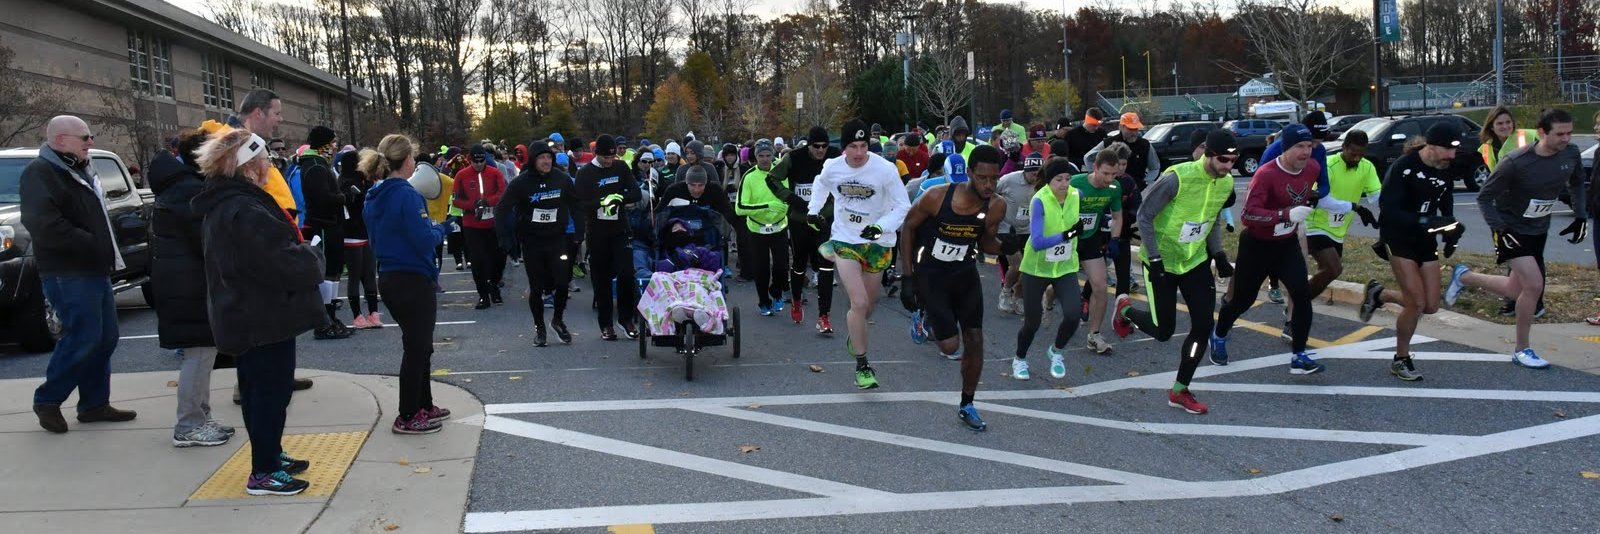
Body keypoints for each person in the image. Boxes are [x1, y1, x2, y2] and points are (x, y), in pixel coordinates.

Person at [191, 128, 323, 495]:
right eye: (265, 159)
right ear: (248, 166)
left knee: (263, 393)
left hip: (250, 314)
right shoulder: (244, 208)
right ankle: (263, 471)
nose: (271, 165)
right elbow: (280, 262)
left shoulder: (231, 203)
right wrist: (313, 256)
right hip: (260, 318)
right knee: (267, 394)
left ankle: (270, 452)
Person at [1445, 109, 1589, 369]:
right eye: (1560, 134)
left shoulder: (1571, 153)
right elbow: (1484, 198)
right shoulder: (1516, 161)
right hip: (1510, 228)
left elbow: (1577, 182)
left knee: (1515, 289)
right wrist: (1501, 230)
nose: (1566, 139)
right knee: (1534, 285)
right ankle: (1522, 349)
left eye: (1569, 133)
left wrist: (1580, 216)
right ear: (1543, 133)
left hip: (1538, 227)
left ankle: (1463, 276)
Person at [20, 116, 136, 434]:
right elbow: (44, 224)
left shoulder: (79, 169)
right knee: (82, 337)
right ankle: (48, 400)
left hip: (93, 269)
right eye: (84, 137)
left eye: (90, 136)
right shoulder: (40, 173)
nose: (90, 142)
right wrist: (90, 242)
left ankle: (94, 404)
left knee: (105, 338)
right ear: (60, 140)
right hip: (66, 271)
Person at [1112, 130, 1239, 415]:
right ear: (1207, 153)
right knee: (1163, 331)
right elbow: (1144, 216)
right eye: (1223, 159)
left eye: (1233, 160)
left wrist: (1218, 255)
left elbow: (1212, 221)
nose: (1228, 166)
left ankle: (1180, 389)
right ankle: (1125, 310)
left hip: (1194, 261)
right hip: (1162, 263)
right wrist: (1154, 258)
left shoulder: (1226, 182)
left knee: (1204, 325)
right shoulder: (1176, 178)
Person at [1209, 124, 1334, 374]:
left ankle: (1299, 355)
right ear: (1286, 148)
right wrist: (1285, 213)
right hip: (1257, 245)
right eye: (1300, 146)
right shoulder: (1266, 174)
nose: (1306, 152)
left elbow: (1309, 194)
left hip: (1286, 244)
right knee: (1243, 300)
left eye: (1310, 146)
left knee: (1301, 295)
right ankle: (1219, 334)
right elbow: (1248, 215)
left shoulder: (1313, 168)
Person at [364, 134, 455, 433]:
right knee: (417, 348)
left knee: (419, 345)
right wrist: (440, 229)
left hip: (390, 276)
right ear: (405, 161)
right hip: (412, 278)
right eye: (413, 159)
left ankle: (423, 404)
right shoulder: (407, 195)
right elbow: (423, 240)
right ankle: (407, 414)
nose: (415, 164)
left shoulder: (373, 195)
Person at [1358, 124, 1465, 381]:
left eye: (1454, 151)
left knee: (1430, 306)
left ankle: (1379, 293)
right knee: (1415, 303)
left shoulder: (1445, 171)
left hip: (1424, 242)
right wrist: (1425, 222)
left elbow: (1446, 210)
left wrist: (1451, 233)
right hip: (1397, 238)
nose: (1451, 157)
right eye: (1446, 150)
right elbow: (1389, 211)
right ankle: (1401, 359)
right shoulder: (1404, 167)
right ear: (1430, 145)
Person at [149, 128, 234, 447]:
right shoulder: (188, 191)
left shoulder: (183, 187)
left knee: (203, 353)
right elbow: (207, 241)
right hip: (188, 285)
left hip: (187, 282)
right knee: (198, 354)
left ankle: (201, 416)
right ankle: (188, 424)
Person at [813, 119, 912, 390]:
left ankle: (855, 335)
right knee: (857, 303)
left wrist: (881, 227)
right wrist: (813, 209)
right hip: (845, 241)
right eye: (853, 146)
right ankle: (862, 364)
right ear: (843, 147)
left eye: (864, 146)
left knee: (868, 306)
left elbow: (903, 205)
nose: (859, 153)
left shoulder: (885, 169)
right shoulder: (832, 167)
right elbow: (820, 185)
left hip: (877, 244)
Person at [1008, 156, 1089, 382]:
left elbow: (1091, 190)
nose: (1064, 184)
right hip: (1038, 267)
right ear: (1049, 181)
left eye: (1067, 179)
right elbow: (1036, 242)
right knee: (1032, 322)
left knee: (1074, 315)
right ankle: (1020, 358)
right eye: (1059, 180)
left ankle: (1056, 351)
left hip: (1065, 266)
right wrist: (1068, 234)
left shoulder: (1076, 194)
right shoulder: (1039, 201)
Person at [498, 139, 582, 346]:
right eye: (541, 157)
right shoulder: (521, 182)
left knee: (562, 283)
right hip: (533, 242)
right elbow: (502, 209)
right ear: (533, 160)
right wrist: (506, 239)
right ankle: (540, 328)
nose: (546, 161)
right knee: (536, 288)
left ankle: (558, 320)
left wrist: (580, 231)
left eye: (548, 157)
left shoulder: (562, 179)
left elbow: (576, 205)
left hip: (558, 240)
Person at [768, 127, 842, 331]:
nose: (821, 150)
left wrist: (834, 202)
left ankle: (824, 316)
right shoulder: (794, 158)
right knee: (800, 262)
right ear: (809, 145)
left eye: (824, 146)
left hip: (824, 219)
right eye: (816, 146)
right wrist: (790, 198)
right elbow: (772, 179)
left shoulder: (835, 157)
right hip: (799, 218)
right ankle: (797, 299)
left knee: (826, 265)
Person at [1302, 130, 1381, 321]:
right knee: (1333, 268)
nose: (1356, 157)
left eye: (1361, 153)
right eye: (1353, 152)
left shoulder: (1367, 167)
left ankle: (1297, 303)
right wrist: (1355, 208)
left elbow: (1378, 196)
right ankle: (1298, 309)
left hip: (1338, 229)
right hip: (1315, 224)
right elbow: (1318, 199)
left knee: (1328, 273)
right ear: (1344, 147)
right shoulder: (1328, 165)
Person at [576, 134, 644, 340]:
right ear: (597, 155)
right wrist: (602, 202)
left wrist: (619, 198)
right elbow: (579, 203)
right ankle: (606, 324)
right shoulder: (586, 173)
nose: (609, 161)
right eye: (605, 158)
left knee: (626, 272)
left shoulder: (621, 168)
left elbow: (636, 193)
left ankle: (626, 318)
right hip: (597, 232)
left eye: (612, 157)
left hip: (620, 229)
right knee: (601, 279)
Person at [1478, 106, 1544, 317]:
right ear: (1491, 126)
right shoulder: (1485, 149)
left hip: (1528, 203)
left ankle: (1535, 302)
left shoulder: (1528, 136)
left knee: (1532, 253)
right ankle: (1514, 299)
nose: (1505, 126)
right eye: (1500, 124)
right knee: (1512, 252)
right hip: (1504, 205)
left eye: (1508, 122)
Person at [297, 126, 356, 339]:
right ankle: (323, 322)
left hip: (331, 224)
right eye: (331, 143)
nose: (334, 147)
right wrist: (345, 197)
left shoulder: (320, 164)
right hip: (322, 225)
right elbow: (323, 198)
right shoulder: (313, 166)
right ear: (322, 144)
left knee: (334, 272)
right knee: (326, 273)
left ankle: (330, 316)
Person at [1072, 149, 1127, 354]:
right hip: (1066, 239)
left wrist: (1114, 239)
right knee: (1053, 286)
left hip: (1090, 240)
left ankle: (1094, 335)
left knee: (1101, 287)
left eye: (1114, 174)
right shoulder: (1075, 183)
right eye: (1105, 173)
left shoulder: (1114, 187)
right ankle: (1049, 302)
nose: (1110, 179)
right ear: (1095, 168)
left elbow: (1118, 216)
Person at [736, 140, 792, 315]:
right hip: (756, 229)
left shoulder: (782, 172)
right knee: (761, 269)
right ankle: (764, 302)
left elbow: (790, 196)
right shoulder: (749, 176)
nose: (765, 159)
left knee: (782, 266)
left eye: (768, 155)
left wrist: (785, 208)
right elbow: (740, 208)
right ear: (755, 157)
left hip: (779, 227)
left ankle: (776, 292)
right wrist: (767, 206)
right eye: (761, 156)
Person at [453, 144, 508, 309]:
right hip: (472, 224)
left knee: (499, 258)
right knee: (477, 261)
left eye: (481, 161)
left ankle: (494, 286)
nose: (478, 164)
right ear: (470, 160)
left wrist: (488, 202)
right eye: (475, 161)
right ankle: (483, 295)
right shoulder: (461, 175)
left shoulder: (495, 172)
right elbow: (455, 199)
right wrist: (473, 205)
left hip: (492, 223)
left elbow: (502, 193)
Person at [995, 152, 1044, 315]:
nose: (1035, 177)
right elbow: (991, 193)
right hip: (1006, 228)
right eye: (1033, 173)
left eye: (1039, 174)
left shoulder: (1044, 183)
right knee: (1017, 264)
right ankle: (1005, 293)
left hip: (1029, 229)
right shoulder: (1009, 179)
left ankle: (1018, 297)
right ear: (1025, 170)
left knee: (1028, 268)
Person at [339, 154, 382, 329]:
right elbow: (353, 202)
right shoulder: (345, 181)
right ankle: (357, 316)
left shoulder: (364, 179)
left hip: (366, 231)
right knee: (355, 275)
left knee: (369, 274)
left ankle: (373, 313)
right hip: (351, 232)